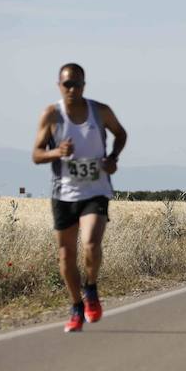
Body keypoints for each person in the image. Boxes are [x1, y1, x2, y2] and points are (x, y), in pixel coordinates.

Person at [32, 63, 127, 333]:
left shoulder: (100, 112)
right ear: (58, 86)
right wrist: (56, 152)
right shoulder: (51, 115)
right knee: (65, 255)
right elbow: (37, 154)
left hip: (95, 191)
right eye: (66, 84)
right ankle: (76, 306)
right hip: (64, 193)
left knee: (90, 244)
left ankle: (91, 287)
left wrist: (112, 159)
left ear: (85, 85)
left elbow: (121, 133)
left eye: (76, 84)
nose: (71, 89)